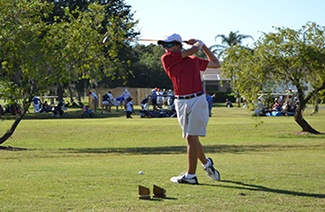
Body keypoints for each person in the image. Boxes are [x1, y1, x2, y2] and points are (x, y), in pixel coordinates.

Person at [157, 33, 221, 184]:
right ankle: (206, 164)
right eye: (164, 45)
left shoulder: (193, 60)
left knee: (191, 137)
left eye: (169, 44)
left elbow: (216, 64)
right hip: (180, 102)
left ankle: (191, 176)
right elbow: (192, 50)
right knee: (190, 137)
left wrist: (204, 46)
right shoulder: (167, 58)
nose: (166, 48)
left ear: (179, 45)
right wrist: (199, 43)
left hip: (197, 99)